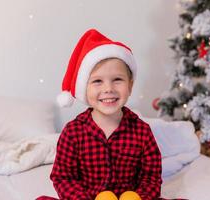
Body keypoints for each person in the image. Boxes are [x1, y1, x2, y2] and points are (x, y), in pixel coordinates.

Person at [50, 29, 163, 200]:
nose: (108, 89)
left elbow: (151, 178)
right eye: (97, 81)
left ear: (130, 86)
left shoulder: (142, 131)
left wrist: (139, 197)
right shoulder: (73, 132)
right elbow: (64, 177)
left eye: (117, 79)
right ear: (84, 89)